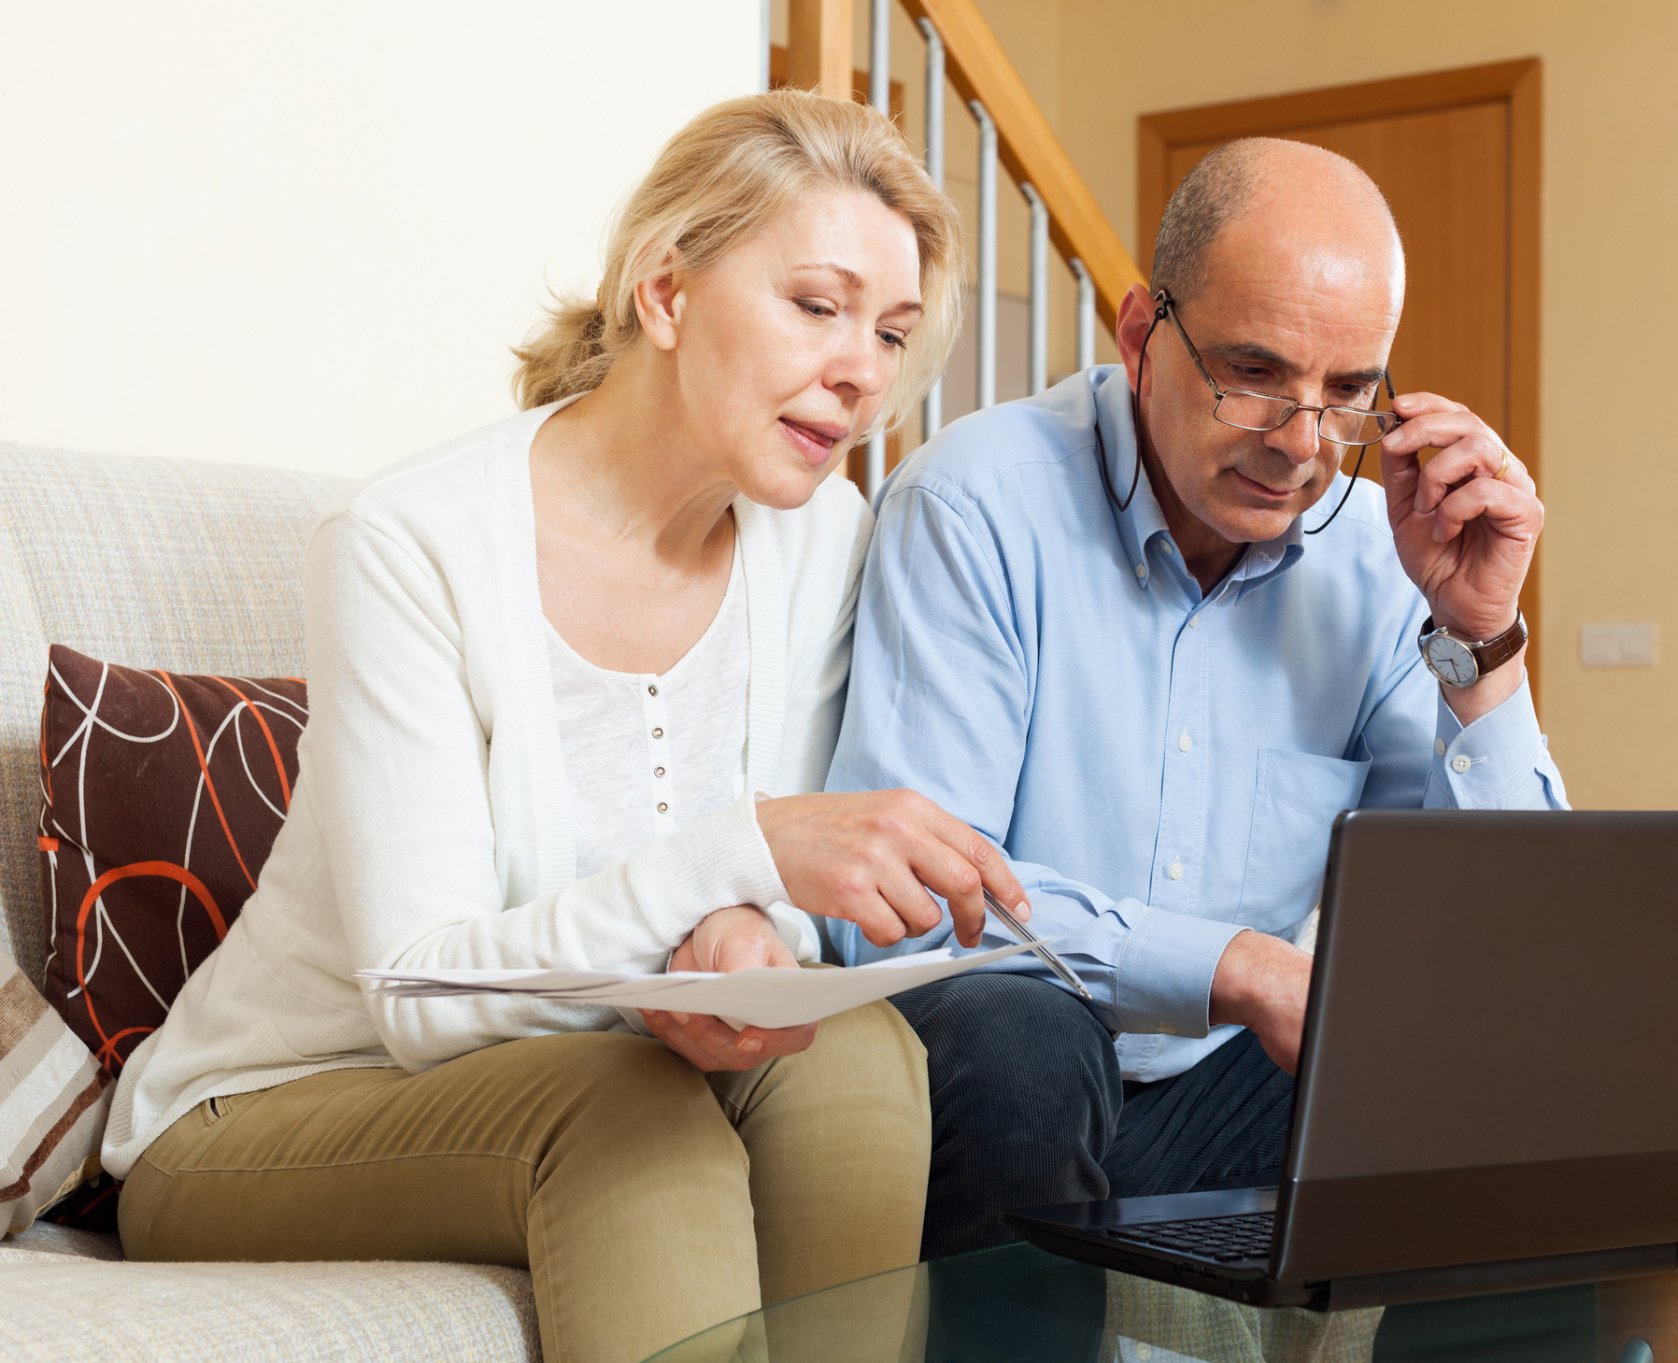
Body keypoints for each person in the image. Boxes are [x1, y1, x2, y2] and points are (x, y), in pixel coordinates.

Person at [103, 90, 1030, 1363]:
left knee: (858, 1055)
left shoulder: (822, 541)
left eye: (891, 330)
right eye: (816, 306)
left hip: (601, 1061)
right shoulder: (409, 545)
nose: (862, 369)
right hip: (268, 1109)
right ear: (664, 291)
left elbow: (764, 890)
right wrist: (742, 858)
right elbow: (422, 993)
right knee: (627, 1114)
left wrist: (750, 934)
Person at [825, 138, 1571, 1259]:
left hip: (1209, 1088)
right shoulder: (977, 503)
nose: (1304, 447)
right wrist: (1237, 968)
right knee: (1024, 1036)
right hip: (988, 1064)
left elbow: (1516, 934)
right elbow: (912, 904)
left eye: (1348, 394)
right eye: (1256, 374)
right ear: (1140, 338)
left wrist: (1483, 637)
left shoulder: (1377, 560)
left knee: (1518, 1076)